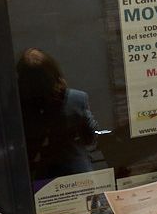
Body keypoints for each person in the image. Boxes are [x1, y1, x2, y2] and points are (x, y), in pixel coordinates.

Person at [16, 48, 101, 177]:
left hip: (38, 175)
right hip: (76, 171)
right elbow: (90, 138)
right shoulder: (76, 99)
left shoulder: (18, 109)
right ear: (52, 72)